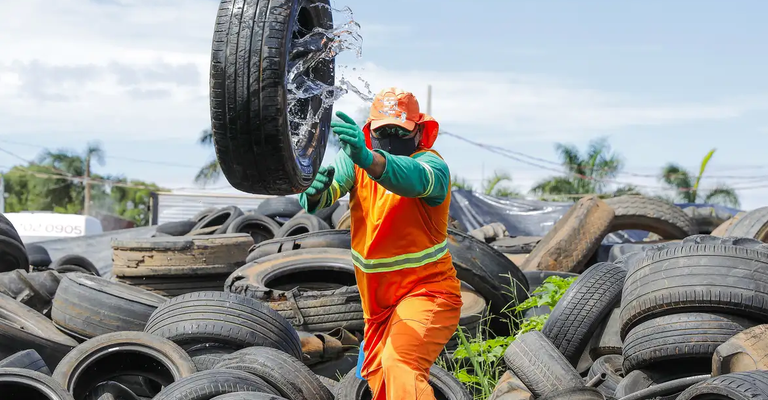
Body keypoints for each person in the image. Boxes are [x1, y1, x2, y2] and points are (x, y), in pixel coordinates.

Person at [298, 87, 463, 400]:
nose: (389, 137)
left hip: (427, 293)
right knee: (378, 382)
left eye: (398, 130)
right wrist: (314, 189)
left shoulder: (432, 166)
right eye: (382, 130)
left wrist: (368, 157)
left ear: (419, 131)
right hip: (377, 308)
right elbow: (324, 196)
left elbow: (410, 178)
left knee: (400, 365)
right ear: (369, 131)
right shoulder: (355, 162)